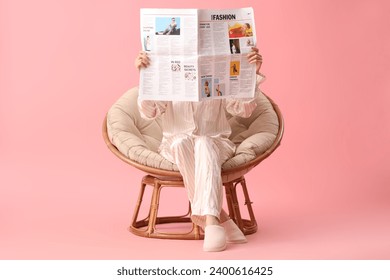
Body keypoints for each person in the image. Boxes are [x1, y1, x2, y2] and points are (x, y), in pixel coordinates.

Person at [135, 47, 264, 252]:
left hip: (216, 143)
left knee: (203, 142)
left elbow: (242, 109)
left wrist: (252, 73)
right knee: (181, 142)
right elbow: (150, 112)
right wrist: (146, 76)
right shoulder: (169, 75)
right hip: (173, 144)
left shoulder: (218, 73)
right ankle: (218, 217)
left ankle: (210, 220)